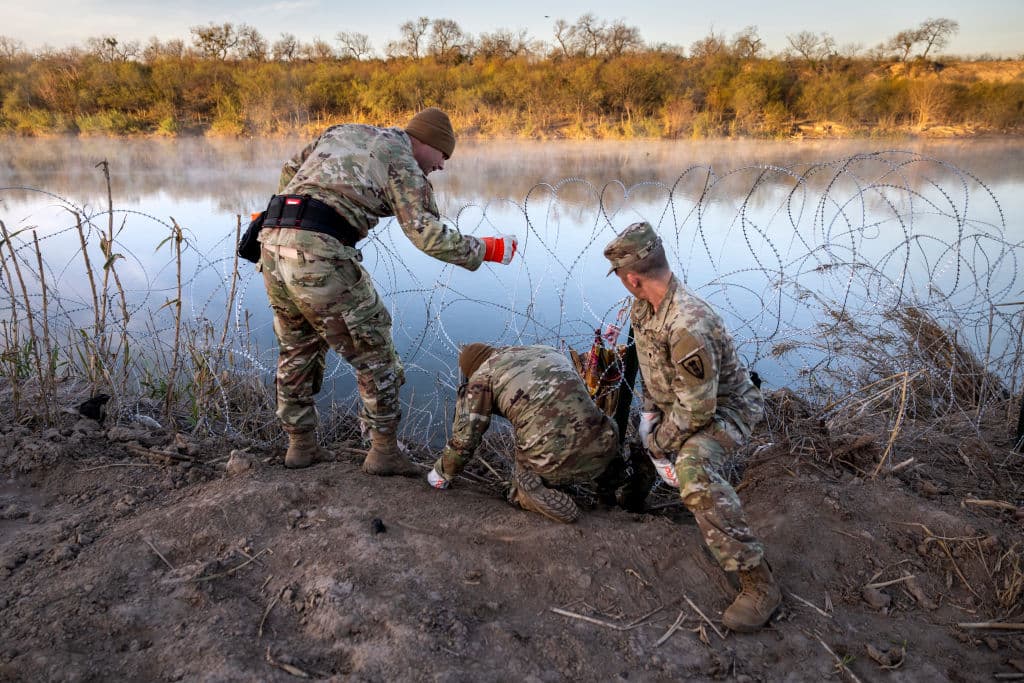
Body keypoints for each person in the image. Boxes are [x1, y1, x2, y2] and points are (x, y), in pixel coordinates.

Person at [258, 108, 518, 473]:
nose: (442, 166)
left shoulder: (345, 131)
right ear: (426, 143)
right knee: (374, 351)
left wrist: (288, 215)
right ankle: (383, 452)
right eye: (444, 155)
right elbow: (427, 234)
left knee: (296, 348)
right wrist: (489, 249)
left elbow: (291, 168)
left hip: (271, 244)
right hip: (319, 253)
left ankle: (300, 446)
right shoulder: (401, 159)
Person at [603, 221, 779, 632]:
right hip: (682, 403)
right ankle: (635, 501)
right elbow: (653, 371)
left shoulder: (687, 324)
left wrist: (660, 442)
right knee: (650, 442)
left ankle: (758, 581)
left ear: (632, 278)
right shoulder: (645, 306)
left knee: (692, 469)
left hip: (725, 409)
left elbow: (698, 412)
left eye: (620, 279)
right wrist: (648, 417)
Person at [427, 343, 619, 523]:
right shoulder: (542, 350)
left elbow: (465, 439)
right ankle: (608, 492)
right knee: (582, 428)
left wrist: (441, 473)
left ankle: (528, 496)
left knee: (520, 483)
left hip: (558, 458)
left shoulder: (482, 377)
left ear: (472, 370)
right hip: (606, 443)